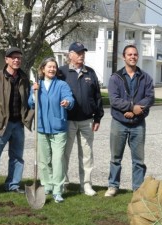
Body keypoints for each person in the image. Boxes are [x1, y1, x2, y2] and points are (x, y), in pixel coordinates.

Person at [0, 47, 34, 197]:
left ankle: (13, 184)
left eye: (19, 58)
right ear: (6, 60)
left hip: (18, 124)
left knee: (17, 157)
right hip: (0, 125)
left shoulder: (24, 79)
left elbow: (30, 101)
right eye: (13, 57)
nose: (16, 60)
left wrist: (28, 117)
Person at [105, 44, 155, 197]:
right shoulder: (115, 78)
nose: (133, 57)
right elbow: (114, 100)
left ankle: (137, 189)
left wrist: (135, 112)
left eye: (135, 54)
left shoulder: (146, 77)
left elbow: (150, 97)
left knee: (138, 159)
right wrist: (132, 107)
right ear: (124, 57)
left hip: (138, 124)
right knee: (115, 158)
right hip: (119, 123)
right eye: (129, 54)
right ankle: (113, 186)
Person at [59, 42, 104, 196]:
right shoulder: (62, 72)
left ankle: (85, 185)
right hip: (68, 120)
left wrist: (98, 118)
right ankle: (63, 183)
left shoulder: (90, 72)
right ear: (70, 55)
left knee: (86, 154)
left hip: (86, 120)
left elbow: (97, 96)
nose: (81, 56)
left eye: (83, 53)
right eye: (78, 53)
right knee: (64, 153)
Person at [28, 57, 74, 203]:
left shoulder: (61, 85)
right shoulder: (37, 85)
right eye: (49, 67)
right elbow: (30, 103)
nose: (52, 69)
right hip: (41, 128)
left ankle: (57, 190)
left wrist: (67, 102)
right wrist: (34, 93)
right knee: (44, 160)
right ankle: (46, 185)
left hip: (59, 128)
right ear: (43, 69)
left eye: (54, 67)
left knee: (57, 159)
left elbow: (70, 99)